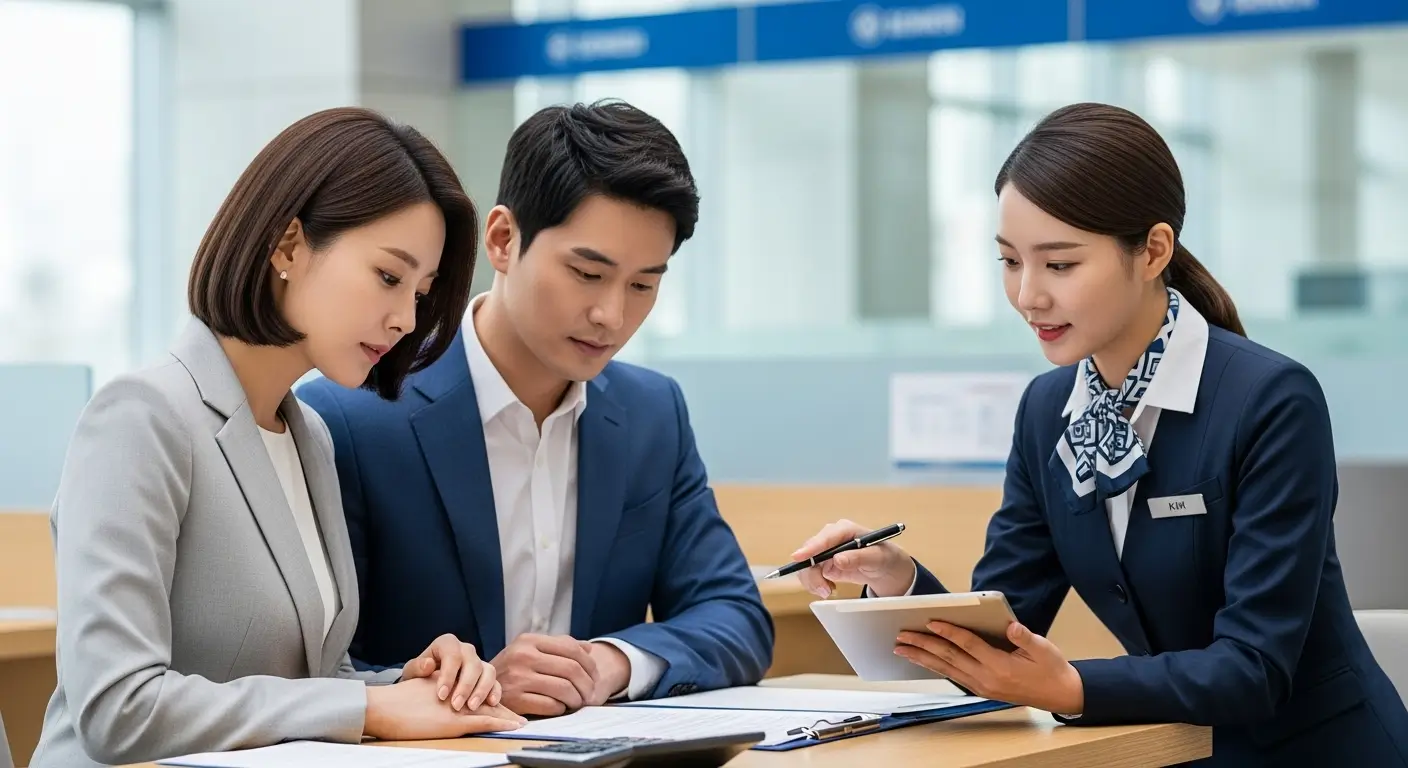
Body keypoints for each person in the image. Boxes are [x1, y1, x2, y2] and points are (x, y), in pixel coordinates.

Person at [790, 103, 1408, 766]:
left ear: (1152, 251)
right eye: (1008, 261)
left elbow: (1255, 667)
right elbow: (1006, 626)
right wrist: (897, 578)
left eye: (1059, 266)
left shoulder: (1269, 400)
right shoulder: (1048, 410)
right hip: (1172, 750)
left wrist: (1073, 686)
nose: (1028, 296)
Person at [30, 107, 525, 768]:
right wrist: (371, 710)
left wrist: (407, 687)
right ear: (289, 246)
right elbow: (117, 708)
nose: (406, 317)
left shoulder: (309, 434)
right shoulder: (141, 417)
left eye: (422, 291)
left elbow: (302, 690)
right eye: (388, 276)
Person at [298, 100, 773, 716]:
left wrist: (607, 663)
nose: (612, 315)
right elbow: (312, 669)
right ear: (502, 240)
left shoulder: (653, 413)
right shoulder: (347, 416)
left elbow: (736, 617)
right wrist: (473, 687)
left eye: (642, 285)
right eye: (586, 273)